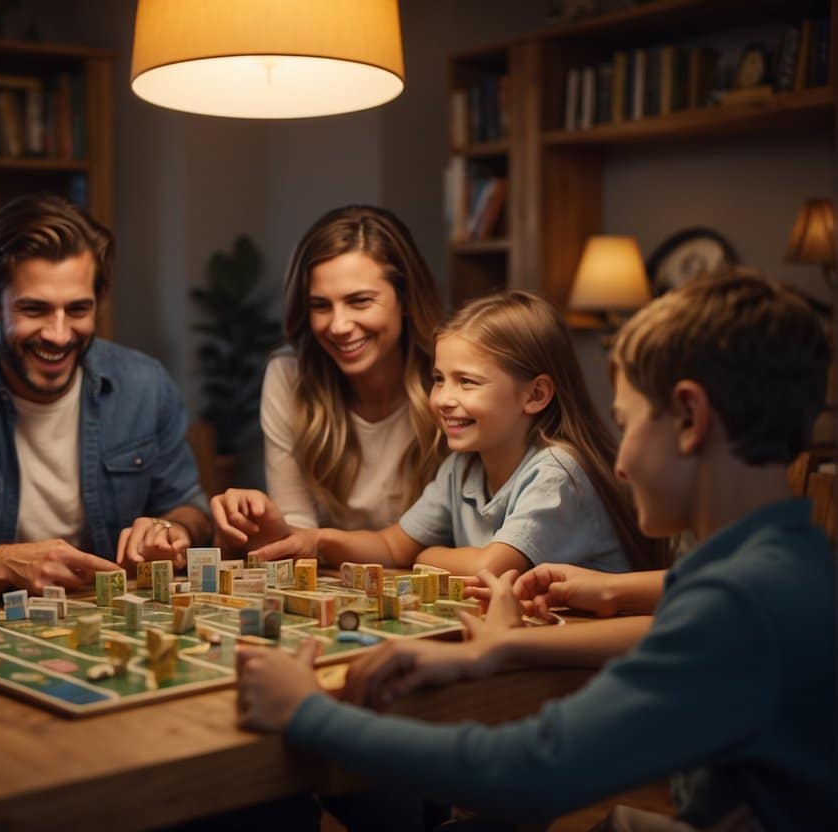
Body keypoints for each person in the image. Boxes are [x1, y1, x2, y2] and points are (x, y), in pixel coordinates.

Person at [236, 272, 836, 829]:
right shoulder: (789, 560)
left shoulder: (738, 605)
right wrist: (512, 643)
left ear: (688, 417)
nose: (619, 464)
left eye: (627, 426)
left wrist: (308, 712)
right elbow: (677, 611)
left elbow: (530, 771)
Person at [0, 194, 211, 598]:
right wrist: (2, 564)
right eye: (35, 310)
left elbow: (192, 506)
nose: (58, 334)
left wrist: (169, 529)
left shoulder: (146, 384)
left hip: (112, 617)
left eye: (77, 310)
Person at [244, 290, 665, 575]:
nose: (443, 398)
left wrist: (427, 555)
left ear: (535, 395)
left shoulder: (558, 473)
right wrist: (317, 541)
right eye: (439, 379)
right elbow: (392, 547)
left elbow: (490, 567)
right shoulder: (461, 468)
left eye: (467, 382)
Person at [211, 205, 444, 550]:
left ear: (406, 298)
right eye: (320, 306)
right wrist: (254, 527)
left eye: (360, 301)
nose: (338, 326)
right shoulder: (290, 375)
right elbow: (297, 532)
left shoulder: (451, 378)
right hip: (334, 582)